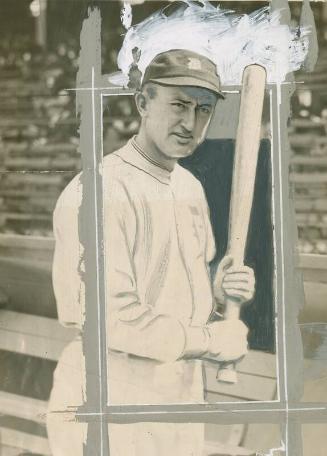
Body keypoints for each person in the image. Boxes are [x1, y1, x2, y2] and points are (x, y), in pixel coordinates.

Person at [47, 49, 255, 455]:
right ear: (142, 102)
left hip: (179, 391)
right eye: (178, 104)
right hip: (110, 387)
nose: (190, 123)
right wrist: (213, 339)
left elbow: (174, 302)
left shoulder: (190, 188)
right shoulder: (99, 190)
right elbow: (112, 320)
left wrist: (216, 294)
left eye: (203, 110)